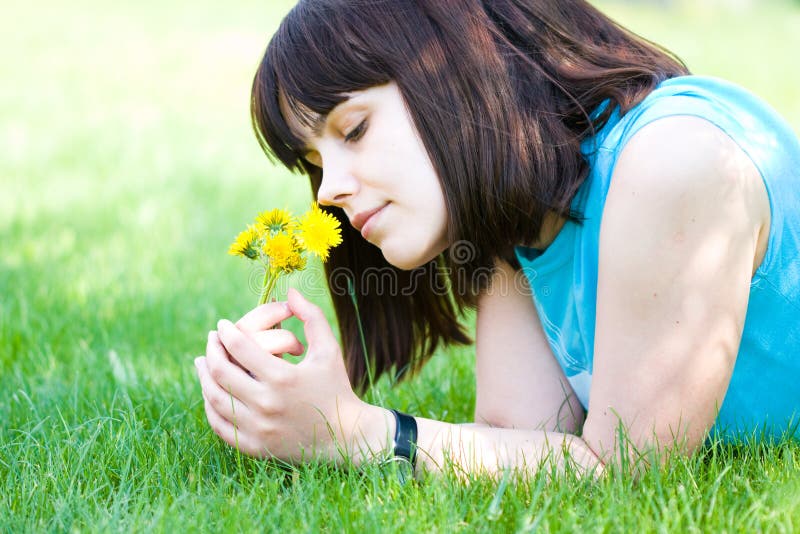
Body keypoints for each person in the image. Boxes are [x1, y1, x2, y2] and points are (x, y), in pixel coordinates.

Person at [194, 0, 800, 477]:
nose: (328, 192)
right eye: (315, 161)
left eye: (352, 129)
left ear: (457, 67)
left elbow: (630, 470)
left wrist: (356, 433)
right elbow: (526, 444)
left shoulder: (675, 160)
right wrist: (287, 412)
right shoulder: (521, 220)